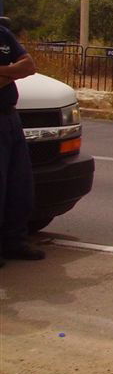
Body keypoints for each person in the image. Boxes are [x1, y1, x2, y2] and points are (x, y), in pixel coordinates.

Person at [1, 20, 44, 266]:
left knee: (20, 185)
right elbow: (19, 70)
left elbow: (28, 66)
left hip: (10, 117)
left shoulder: (3, 34)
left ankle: (14, 242)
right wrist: (10, 71)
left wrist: (4, 73)